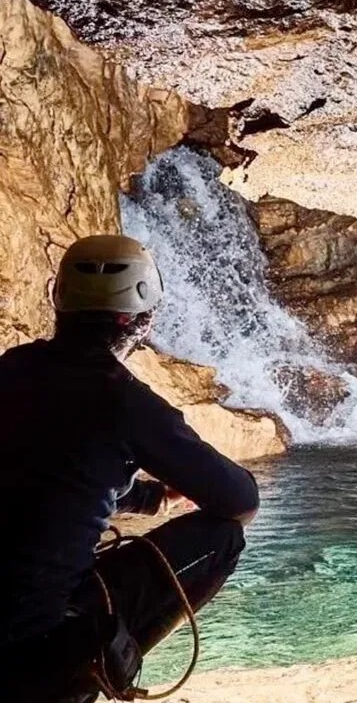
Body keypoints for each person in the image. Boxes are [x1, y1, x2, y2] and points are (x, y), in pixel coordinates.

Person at [0, 235, 260, 702]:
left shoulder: (10, 370)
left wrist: (152, 498)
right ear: (145, 319)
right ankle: (94, 671)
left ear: (57, 298)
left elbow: (51, 473)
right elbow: (241, 501)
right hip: (31, 644)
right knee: (224, 536)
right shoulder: (126, 402)